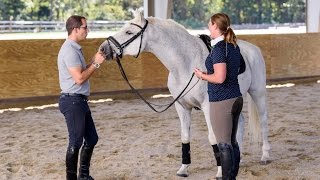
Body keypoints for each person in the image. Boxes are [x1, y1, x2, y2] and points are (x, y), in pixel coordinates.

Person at [194, 13, 244, 180]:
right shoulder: (233, 45)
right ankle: (232, 177)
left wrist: (203, 76)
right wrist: (213, 73)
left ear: (215, 25)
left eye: (209, 24)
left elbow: (220, 78)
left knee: (223, 144)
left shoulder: (219, 49)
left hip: (222, 101)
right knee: (232, 142)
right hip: (236, 97)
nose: (208, 26)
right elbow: (238, 69)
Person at [57, 15, 105, 180]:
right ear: (75, 29)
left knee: (92, 138)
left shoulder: (74, 48)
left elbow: (82, 70)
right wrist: (96, 64)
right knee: (75, 142)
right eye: (85, 27)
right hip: (73, 101)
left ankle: (83, 176)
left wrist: (95, 58)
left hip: (78, 101)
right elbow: (79, 78)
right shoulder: (69, 50)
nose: (87, 30)